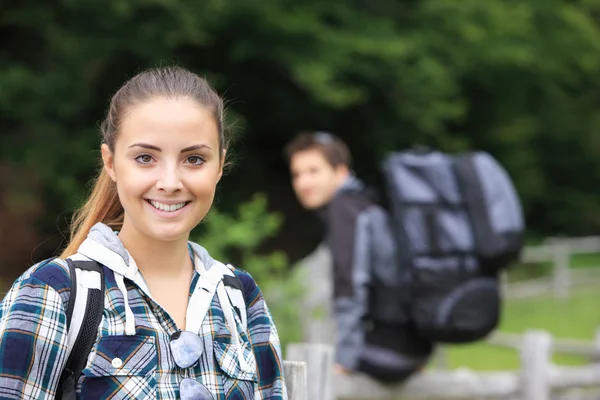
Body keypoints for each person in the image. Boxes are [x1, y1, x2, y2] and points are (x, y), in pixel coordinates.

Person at [0, 66, 287, 399]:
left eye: (194, 159)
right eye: (145, 157)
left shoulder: (242, 298)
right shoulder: (53, 293)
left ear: (220, 165)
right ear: (110, 162)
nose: (169, 182)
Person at [285, 131, 432, 382]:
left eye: (313, 171)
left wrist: (344, 361)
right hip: (414, 350)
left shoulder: (345, 210)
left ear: (341, 172)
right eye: (297, 174)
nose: (302, 182)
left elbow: (349, 286)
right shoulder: (367, 203)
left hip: (388, 351)